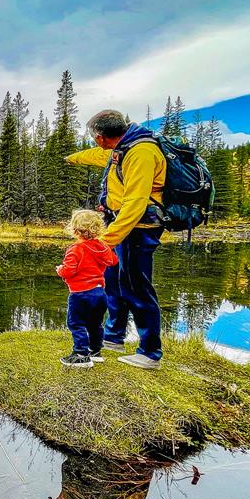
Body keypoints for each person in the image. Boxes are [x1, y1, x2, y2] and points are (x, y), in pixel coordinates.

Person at [65, 110, 167, 369]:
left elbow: (135, 203)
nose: (96, 144)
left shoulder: (141, 153)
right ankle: (114, 337)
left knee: (137, 287)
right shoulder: (120, 148)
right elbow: (96, 156)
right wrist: (70, 158)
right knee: (112, 281)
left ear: (100, 137)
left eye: (94, 138)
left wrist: (105, 241)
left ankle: (149, 352)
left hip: (139, 227)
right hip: (121, 226)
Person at [56, 209, 119, 367]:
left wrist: (60, 270)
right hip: (99, 293)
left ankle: (81, 355)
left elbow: (69, 270)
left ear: (75, 230)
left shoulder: (76, 249)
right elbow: (113, 261)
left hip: (80, 294)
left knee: (76, 323)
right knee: (95, 324)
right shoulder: (102, 247)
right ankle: (95, 352)